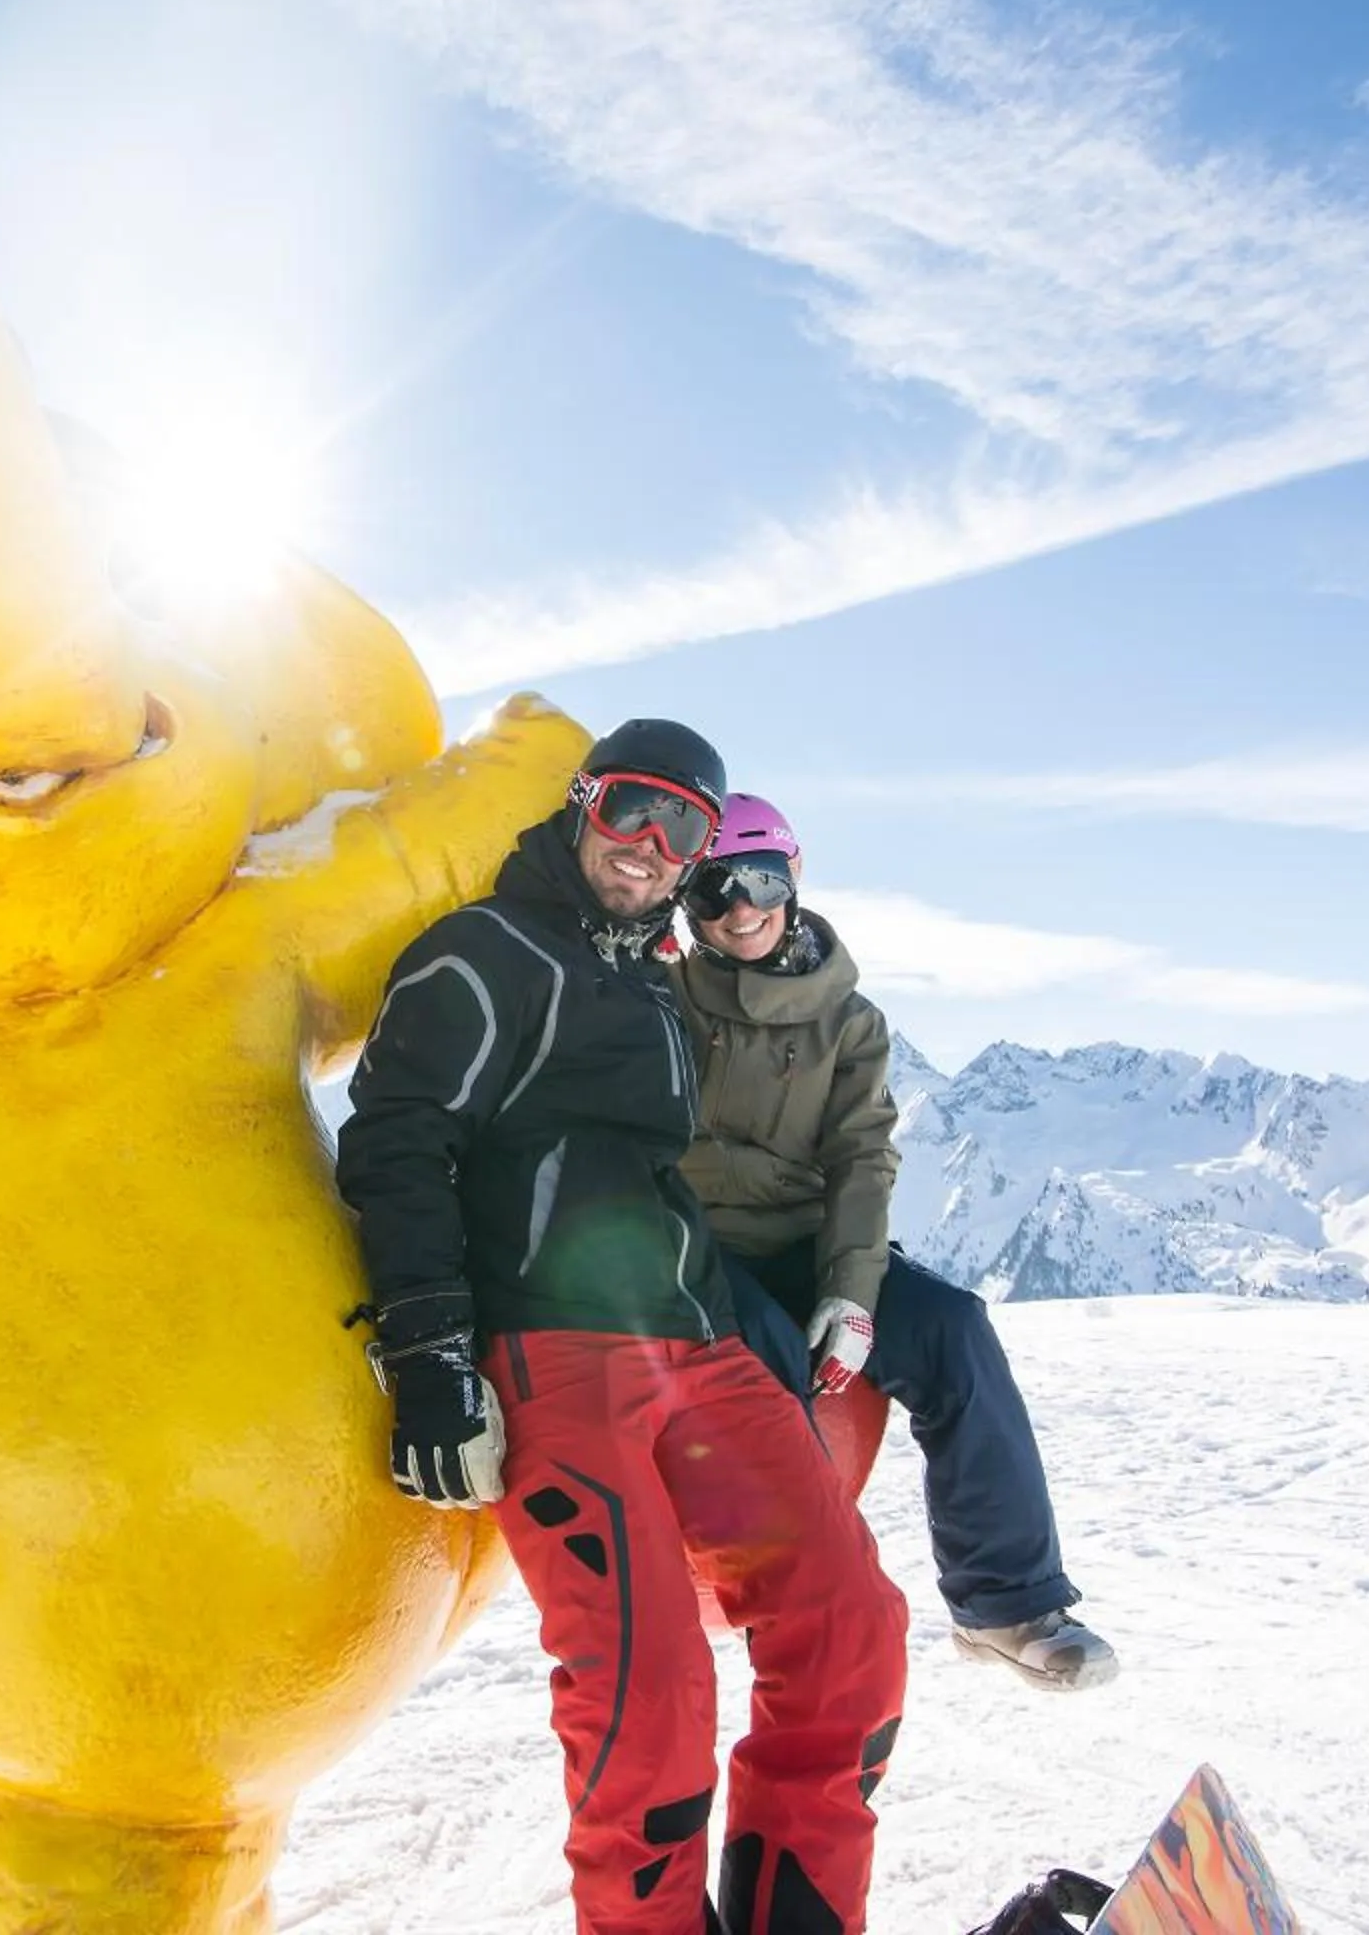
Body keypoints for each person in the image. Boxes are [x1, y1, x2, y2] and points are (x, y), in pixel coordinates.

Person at [335, 722, 910, 1935]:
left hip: (696, 1343)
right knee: (647, 1692)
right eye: (633, 812)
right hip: (555, 1355)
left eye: (684, 830)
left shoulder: (649, 984)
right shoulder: (479, 955)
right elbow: (394, 1144)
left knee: (851, 1629)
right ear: (584, 804)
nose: (651, 849)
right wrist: (431, 1357)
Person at [670, 793, 1118, 1692]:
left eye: (757, 881)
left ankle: (1005, 1605)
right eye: (712, 892)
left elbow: (862, 1156)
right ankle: (796, 1615)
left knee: (953, 1329)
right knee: (765, 1363)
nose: (739, 910)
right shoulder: (663, 1000)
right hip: (699, 1243)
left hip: (808, 1239)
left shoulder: (847, 1021)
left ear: (792, 881)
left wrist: (852, 1291)